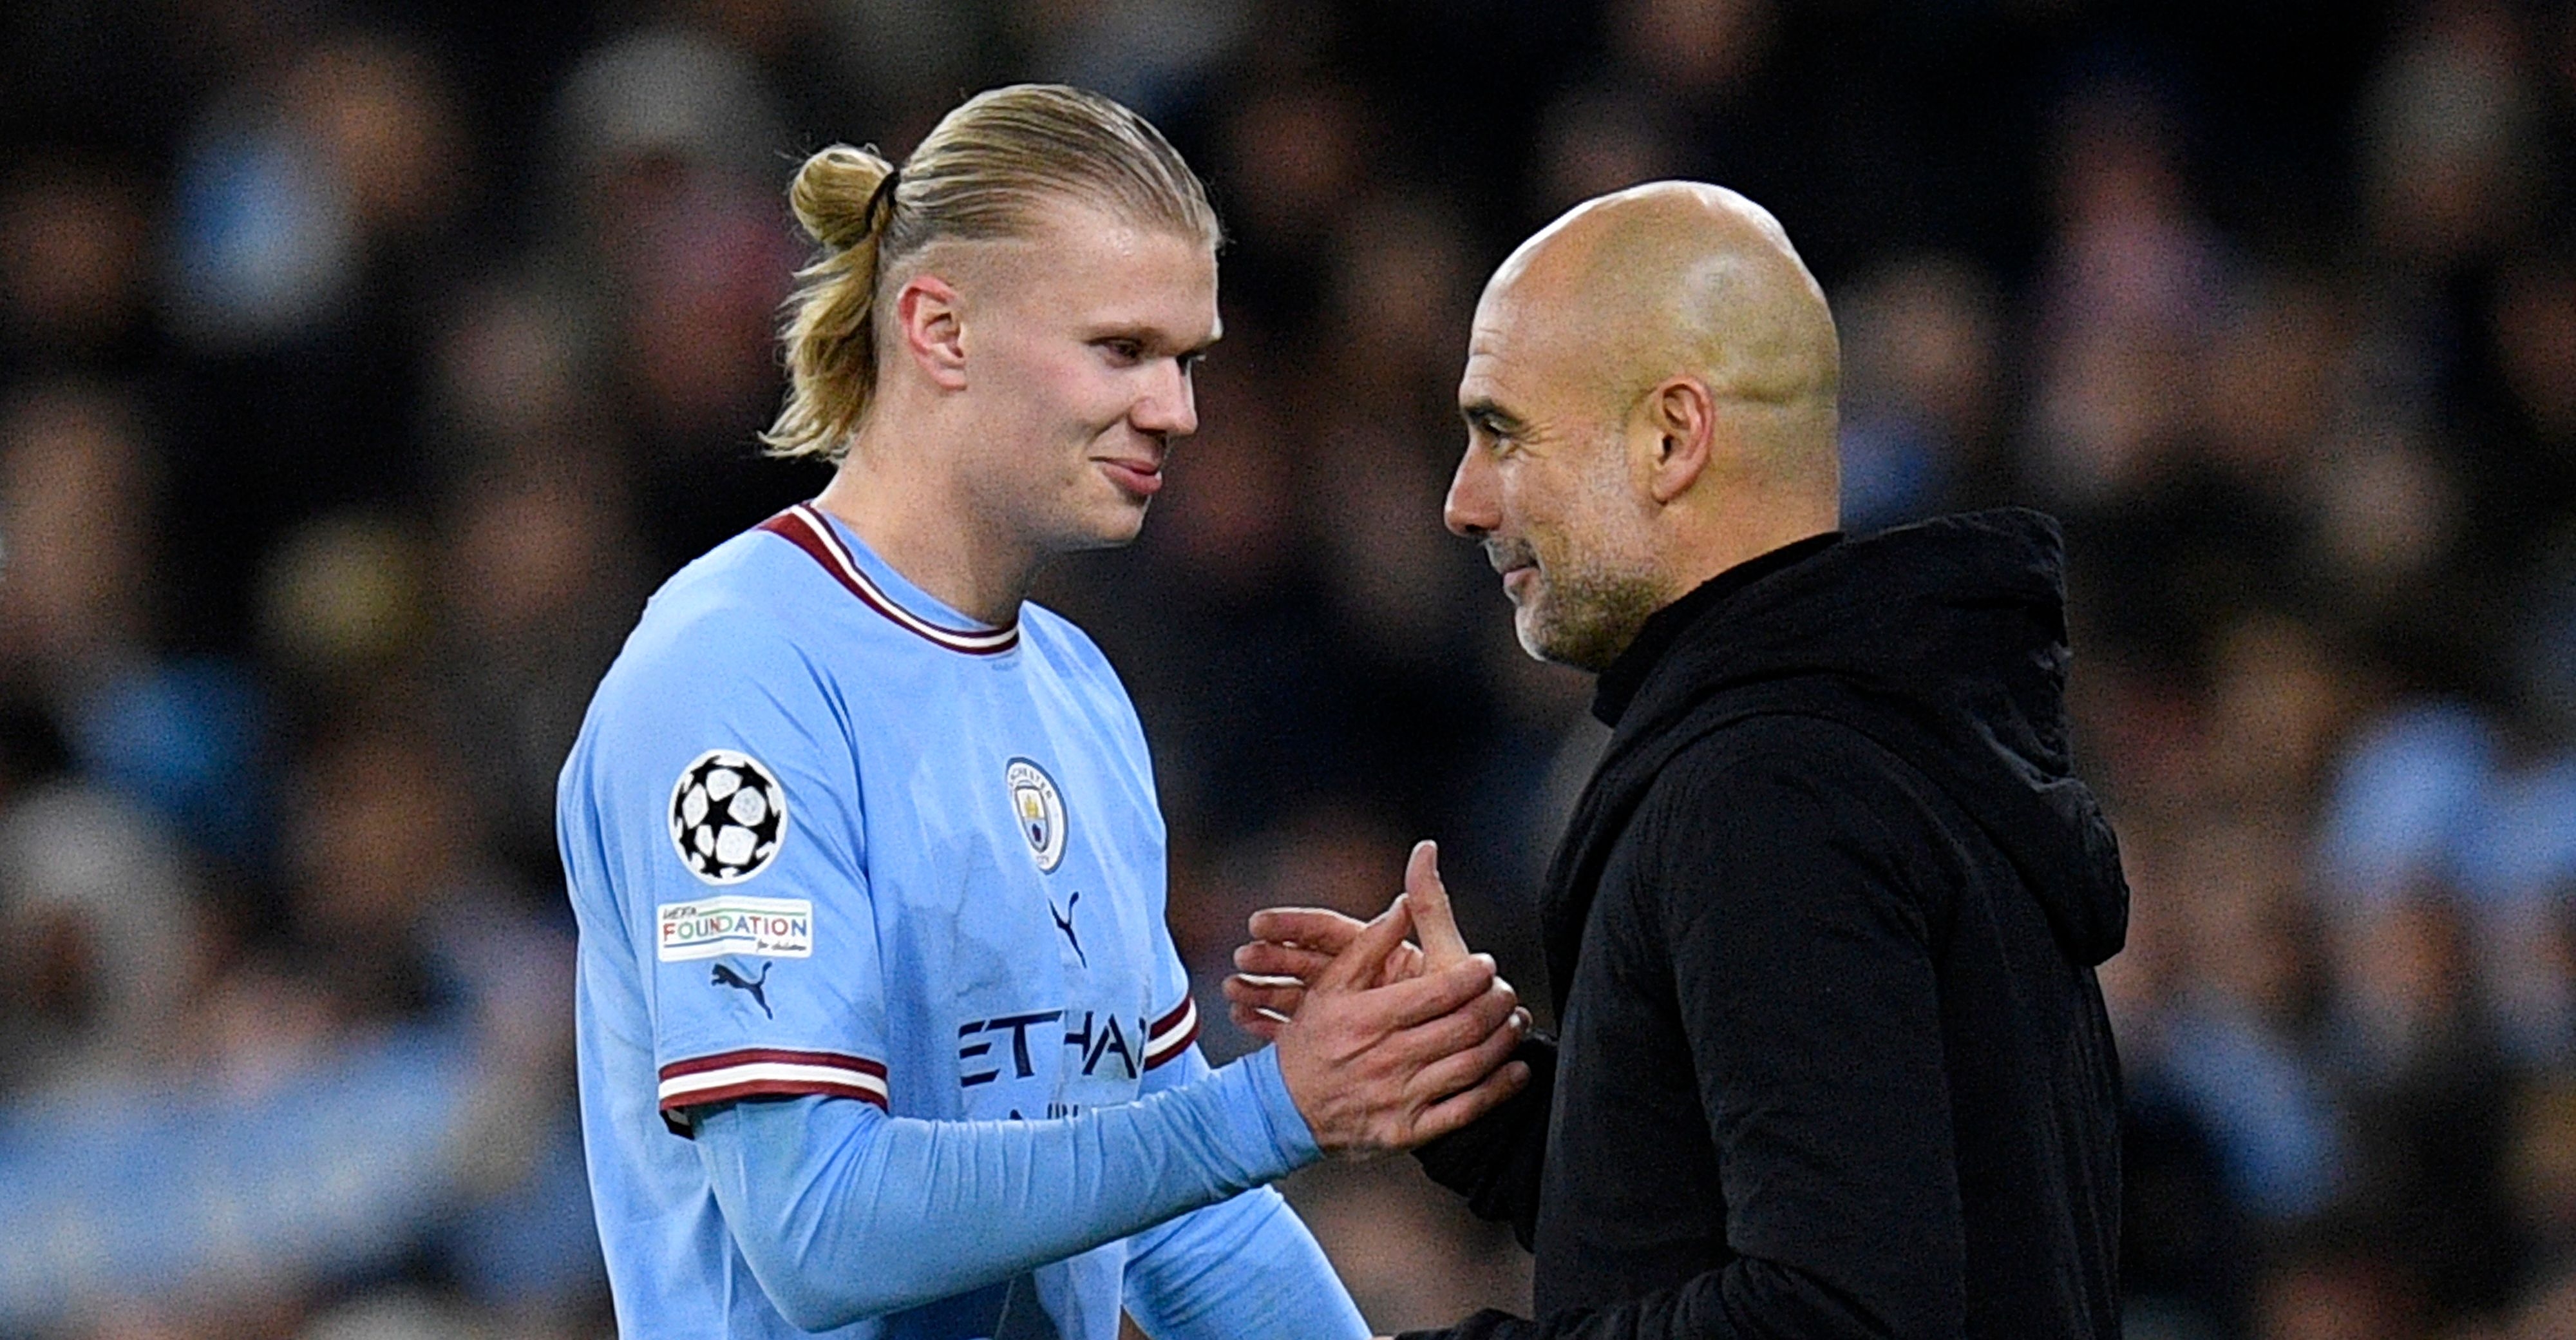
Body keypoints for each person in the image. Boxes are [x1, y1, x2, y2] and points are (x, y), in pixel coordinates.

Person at [558, 84, 1528, 1340]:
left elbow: (1187, 1217)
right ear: (938, 330)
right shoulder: (735, 674)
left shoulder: (1074, 687)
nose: (1175, 410)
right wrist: (1269, 1105)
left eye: (1188, 360)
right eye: (1120, 350)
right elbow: (816, 1228)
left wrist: (1247, 1125)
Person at [1227, 181, 2128, 1337]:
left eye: (1501, 430)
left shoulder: (1771, 793)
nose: (1463, 500)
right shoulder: (1877, 742)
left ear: (1671, 436)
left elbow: (1834, 1317)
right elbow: (1743, 1229)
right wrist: (1485, 1106)